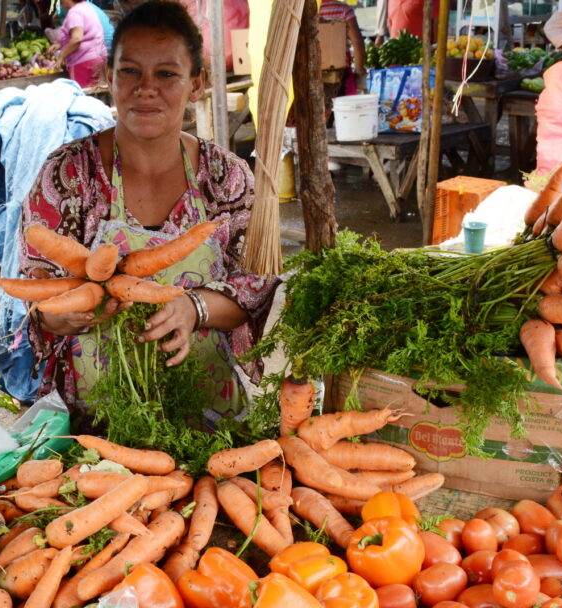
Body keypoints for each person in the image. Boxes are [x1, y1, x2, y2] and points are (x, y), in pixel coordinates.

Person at [19, 0, 278, 418]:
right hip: (96, 420)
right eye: (130, 71)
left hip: (209, 410)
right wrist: (61, 316)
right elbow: (36, 289)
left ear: (197, 84)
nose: (145, 88)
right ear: (109, 77)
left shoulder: (224, 177)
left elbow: (254, 291)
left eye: (167, 74)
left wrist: (194, 308)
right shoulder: (68, 174)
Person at [54, 0, 107, 88]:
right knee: (96, 95)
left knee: (83, 96)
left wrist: (62, 56)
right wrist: (60, 44)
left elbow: (77, 39)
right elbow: (87, 33)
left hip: (83, 63)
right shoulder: (86, 7)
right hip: (97, 58)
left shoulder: (74, 12)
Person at [318, 0, 367, 95]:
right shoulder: (343, 10)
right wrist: (359, 70)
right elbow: (357, 42)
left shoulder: (308, 12)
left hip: (313, 71)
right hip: (340, 75)